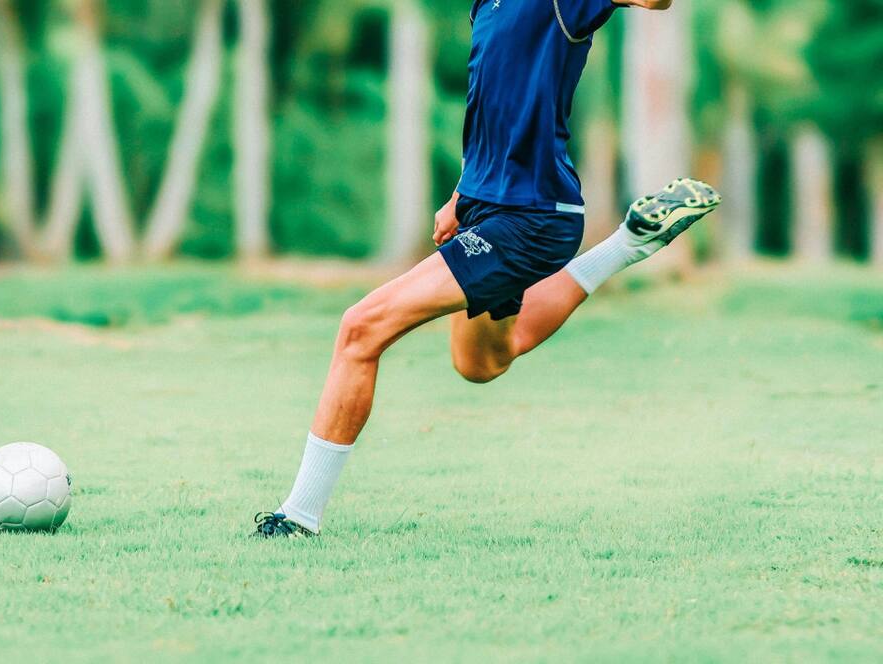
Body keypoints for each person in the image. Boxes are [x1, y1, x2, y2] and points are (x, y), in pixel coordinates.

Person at [254, 0, 721, 538]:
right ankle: (628, 243)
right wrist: (462, 194)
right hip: (489, 209)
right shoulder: (486, 6)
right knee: (480, 362)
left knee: (361, 328)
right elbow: (493, 108)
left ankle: (298, 517)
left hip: (530, 219)